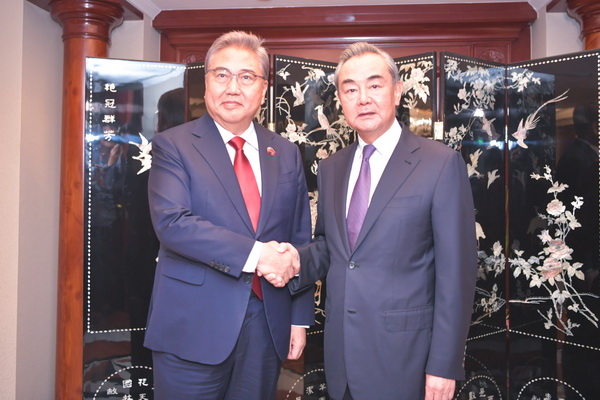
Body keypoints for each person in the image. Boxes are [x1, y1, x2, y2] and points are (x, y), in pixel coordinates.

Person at [280, 42, 478, 400]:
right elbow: (331, 248)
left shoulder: (440, 164)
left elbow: (457, 274)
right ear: (340, 100)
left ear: (397, 91)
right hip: (341, 355)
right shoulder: (332, 168)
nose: (363, 98)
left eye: (374, 85)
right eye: (350, 89)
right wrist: (292, 259)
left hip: (407, 359)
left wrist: (444, 365)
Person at [144, 30, 314, 400]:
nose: (232, 87)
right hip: (192, 324)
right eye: (221, 75)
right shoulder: (174, 145)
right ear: (206, 84)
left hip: (266, 323)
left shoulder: (284, 153)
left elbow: (300, 237)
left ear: (264, 89)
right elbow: (173, 223)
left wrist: (299, 318)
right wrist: (259, 255)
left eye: (246, 77)